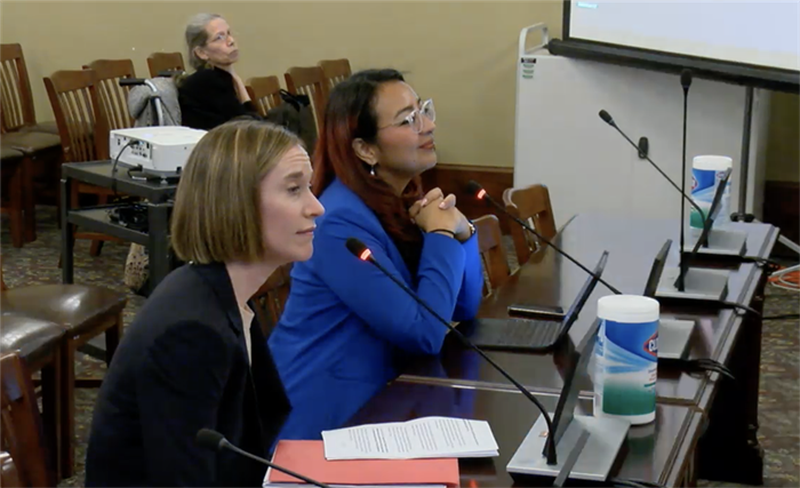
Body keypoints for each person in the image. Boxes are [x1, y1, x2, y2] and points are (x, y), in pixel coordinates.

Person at [85, 120, 324, 487]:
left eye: (309, 187)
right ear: (236, 202)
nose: (317, 207)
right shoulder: (191, 333)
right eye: (294, 189)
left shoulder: (218, 293)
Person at [268, 69, 484, 440]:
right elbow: (425, 331)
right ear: (365, 148)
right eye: (408, 120)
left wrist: (462, 233)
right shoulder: (338, 223)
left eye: (424, 110)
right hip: (325, 419)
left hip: (385, 399)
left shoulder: (395, 202)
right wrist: (442, 234)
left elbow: (463, 308)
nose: (428, 125)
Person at [178, 13, 260, 130]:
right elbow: (252, 126)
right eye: (219, 38)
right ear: (201, 53)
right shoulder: (206, 81)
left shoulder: (221, 76)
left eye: (229, 33)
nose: (231, 41)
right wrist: (237, 81)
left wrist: (237, 79)